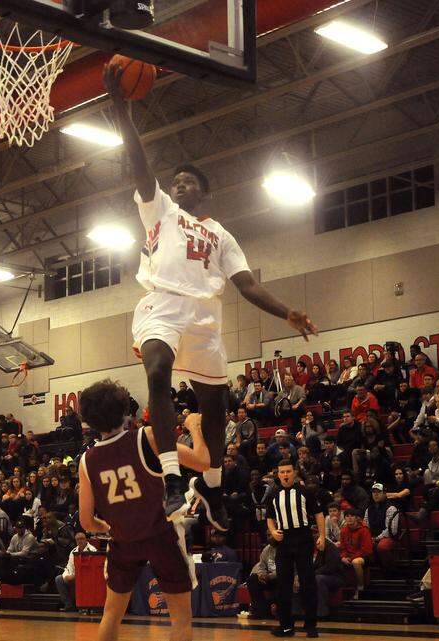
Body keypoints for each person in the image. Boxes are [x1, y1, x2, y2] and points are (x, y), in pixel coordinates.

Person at [104, 66, 317, 530]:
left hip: (205, 316)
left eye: (188, 181)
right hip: (161, 303)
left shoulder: (221, 233)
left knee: (216, 407)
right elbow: (139, 166)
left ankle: (213, 483)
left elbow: (247, 285)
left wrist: (287, 312)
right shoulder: (159, 210)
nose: (179, 184)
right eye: (175, 180)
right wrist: (121, 109)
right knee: (157, 370)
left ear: (206, 191)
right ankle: (172, 477)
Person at [77, 379, 212, 641]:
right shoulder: (147, 437)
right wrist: (195, 428)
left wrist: (109, 528)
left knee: (111, 615)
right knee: (181, 619)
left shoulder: (86, 460)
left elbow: (86, 521)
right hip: (162, 536)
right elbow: (203, 462)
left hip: (123, 542)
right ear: (125, 410)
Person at [265, 459, 326, 638]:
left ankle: (311, 625)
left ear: (294, 472)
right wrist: (273, 531)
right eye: (282, 472)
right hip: (283, 542)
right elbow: (269, 517)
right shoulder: (274, 494)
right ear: (278, 474)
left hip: (303, 539)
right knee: (283, 585)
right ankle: (286, 626)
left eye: (288, 471)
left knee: (308, 583)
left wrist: (322, 536)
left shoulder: (305, 491)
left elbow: (319, 514)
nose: (285, 474)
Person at [364, 483, 402, 570]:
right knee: (365, 544)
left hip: (389, 537)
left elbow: (392, 530)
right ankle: (376, 569)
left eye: (379, 492)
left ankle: (391, 570)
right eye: (374, 492)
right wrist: (368, 537)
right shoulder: (368, 509)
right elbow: (365, 526)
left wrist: (377, 538)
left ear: (385, 493)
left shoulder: (391, 508)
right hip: (373, 536)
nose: (376, 494)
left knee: (382, 546)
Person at [55, 531, 93, 612]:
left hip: (86, 577)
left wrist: (76, 576)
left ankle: (84, 605)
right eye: (78, 539)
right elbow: (69, 567)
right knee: (59, 579)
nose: (80, 541)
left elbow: (91, 569)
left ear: (86, 539)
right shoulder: (73, 551)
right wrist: (66, 576)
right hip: (73, 576)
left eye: (82, 539)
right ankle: (69, 605)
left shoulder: (92, 550)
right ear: (76, 541)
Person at [337, 509, 372, 596]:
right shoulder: (344, 531)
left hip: (364, 556)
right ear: (344, 518)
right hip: (348, 556)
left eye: (352, 516)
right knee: (335, 559)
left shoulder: (364, 530)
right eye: (347, 516)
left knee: (355, 562)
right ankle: (342, 588)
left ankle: (360, 587)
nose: (349, 518)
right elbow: (343, 547)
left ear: (357, 518)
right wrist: (343, 557)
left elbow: (366, 550)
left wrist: (351, 558)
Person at [243, 539, 278, 619]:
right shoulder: (267, 549)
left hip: (280, 577)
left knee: (283, 578)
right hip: (268, 577)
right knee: (252, 580)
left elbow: (284, 569)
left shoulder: (285, 548)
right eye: (267, 535)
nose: (269, 537)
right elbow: (261, 565)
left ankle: (280, 612)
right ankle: (261, 611)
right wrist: (261, 575)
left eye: (270, 535)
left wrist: (269, 576)